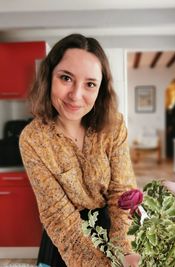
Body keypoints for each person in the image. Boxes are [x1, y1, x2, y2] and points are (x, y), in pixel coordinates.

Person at [19, 33, 139, 267]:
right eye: (66, 78)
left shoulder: (114, 126)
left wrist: (122, 253)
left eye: (90, 84)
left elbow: (122, 195)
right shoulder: (32, 139)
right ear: (49, 77)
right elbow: (58, 216)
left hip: (112, 230)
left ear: (100, 89)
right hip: (64, 242)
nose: (76, 95)